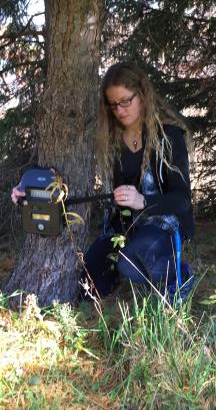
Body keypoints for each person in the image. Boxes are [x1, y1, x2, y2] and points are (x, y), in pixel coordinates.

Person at [82, 61, 194, 299]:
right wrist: (28, 189)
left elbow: (182, 199)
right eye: (113, 105)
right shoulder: (110, 141)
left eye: (126, 101)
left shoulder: (169, 137)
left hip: (162, 223)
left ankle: (179, 276)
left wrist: (143, 200)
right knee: (89, 283)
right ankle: (135, 271)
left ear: (142, 95)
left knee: (134, 257)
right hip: (123, 227)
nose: (120, 110)